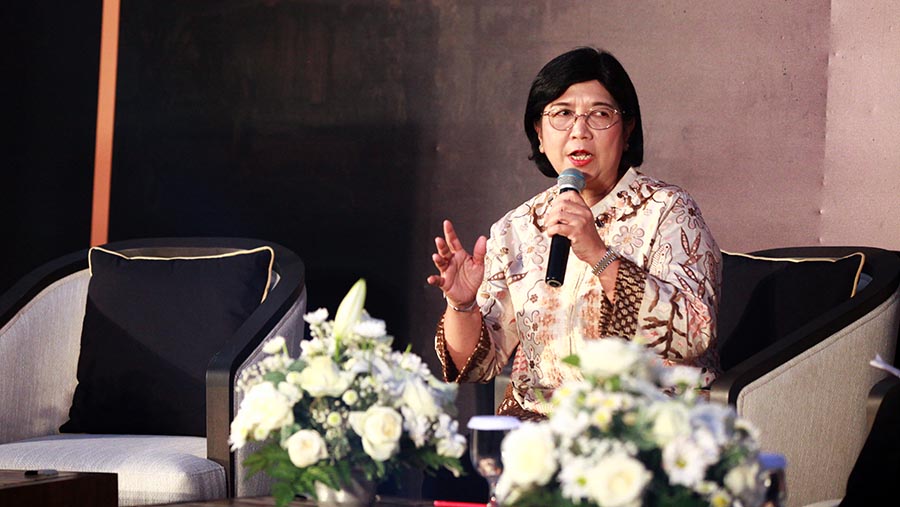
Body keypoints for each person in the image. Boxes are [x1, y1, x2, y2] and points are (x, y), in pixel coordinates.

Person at [427, 47, 722, 421]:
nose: (579, 131)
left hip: (645, 428)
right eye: (562, 114)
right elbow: (477, 366)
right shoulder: (516, 227)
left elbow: (694, 333)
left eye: (599, 114)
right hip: (537, 433)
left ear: (628, 129)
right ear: (538, 132)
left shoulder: (669, 211)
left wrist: (599, 255)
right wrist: (462, 304)